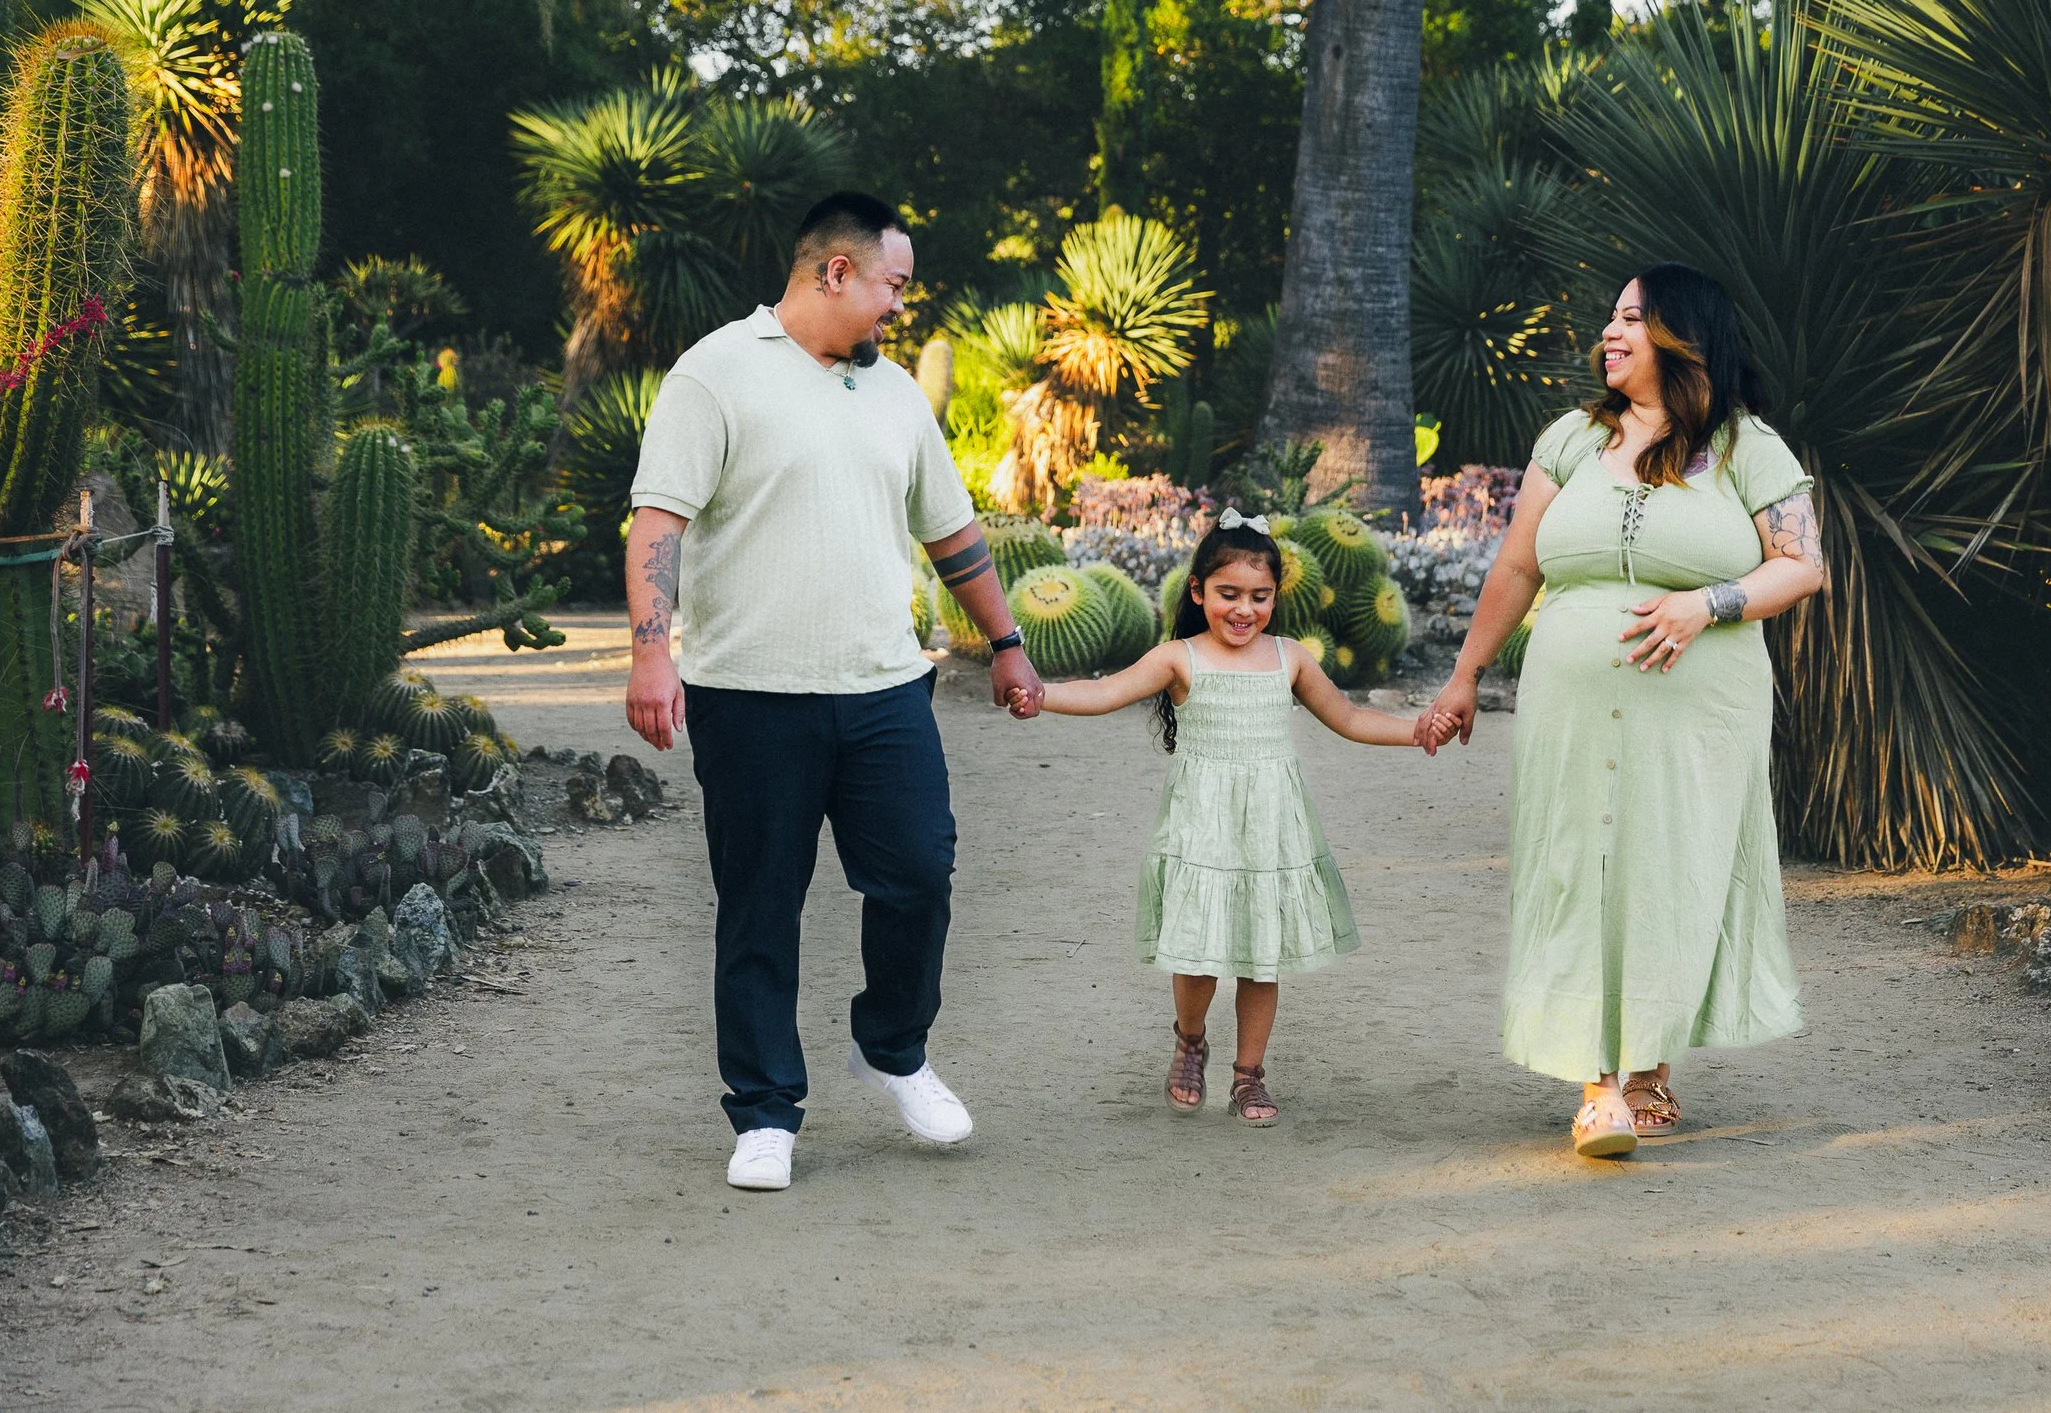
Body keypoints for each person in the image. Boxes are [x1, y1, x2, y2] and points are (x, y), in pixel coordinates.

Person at [622, 190, 1045, 1193]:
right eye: (894, 284)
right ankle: (765, 1110)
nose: (902, 305)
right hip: (748, 692)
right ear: (837, 270)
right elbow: (658, 520)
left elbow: (952, 532)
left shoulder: (896, 392)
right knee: (759, 904)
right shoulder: (714, 372)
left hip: (885, 689)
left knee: (919, 874)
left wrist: (1009, 640)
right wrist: (648, 654)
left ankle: (892, 1044)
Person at [1418, 263, 1825, 1159]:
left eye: (1631, 317)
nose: (1610, 331)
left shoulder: (1749, 446)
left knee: (1669, 865)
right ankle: (1598, 1083)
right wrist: (1465, 674)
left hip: (1701, 709)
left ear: (1683, 334)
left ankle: (1650, 1065)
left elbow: (1801, 566)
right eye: (1610, 317)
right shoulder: (1571, 438)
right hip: (1568, 698)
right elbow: (1518, 567)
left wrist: (1703, 604)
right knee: (1578, 865)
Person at [1019, 512, 1457, 1126]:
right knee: (1197, 952)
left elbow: (1351, 719)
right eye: (1228, 595)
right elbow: (1105, 692)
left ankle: (1249, 1075)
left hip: (1272, 829)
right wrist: (1039, 694)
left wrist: (1417, 731)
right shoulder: (1179, 658)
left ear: (1276, 598)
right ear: (1198, 592)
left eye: (1259, 596)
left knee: (1261, 955)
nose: (1243, 609)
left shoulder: (1291, 659)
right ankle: (1190, 1041)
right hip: (1203, 825)